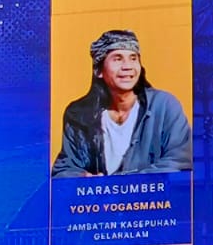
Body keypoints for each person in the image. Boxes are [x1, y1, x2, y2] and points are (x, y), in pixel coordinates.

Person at [52, 29, 192, 176]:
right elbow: (63, 171)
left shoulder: (164, 106)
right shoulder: (79, 114)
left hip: (152, 192)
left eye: (133, 58)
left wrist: (121, 183)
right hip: (98, 193)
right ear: (99, 70)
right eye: (118, 59)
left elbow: (179, 161)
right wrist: (83, 178)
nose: (127, 66)